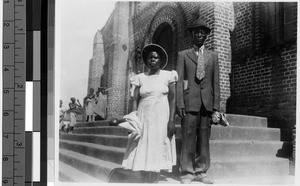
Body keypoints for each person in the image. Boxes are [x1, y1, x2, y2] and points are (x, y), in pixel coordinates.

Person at [122, 44, 177, 183]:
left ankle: (154, 180)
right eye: (150, 57)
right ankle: (144, 180)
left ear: (160, 60)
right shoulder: (139, 77)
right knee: (142, 145)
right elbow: (135, 99)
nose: (152, 59)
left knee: (157, 145)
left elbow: (173, 98)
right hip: (143, 115)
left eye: (155, 57)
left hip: (161, 116)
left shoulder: (168, 75)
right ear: (146, 61)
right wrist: (133, 119)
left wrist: (171, 121)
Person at [176, 17, 220, 184]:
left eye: (202, 32)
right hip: (189, 103)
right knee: (188, 137)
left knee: (203, 138)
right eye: (196, 32)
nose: (199, 34)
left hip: (207, 104)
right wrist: (180, 103)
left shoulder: (213, 56)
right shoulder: (183, 55)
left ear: (206, 36)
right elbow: (179, 81)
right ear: (192, 35)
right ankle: (187, 173)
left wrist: (216, 107)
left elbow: (216, 82)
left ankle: (201, 172)